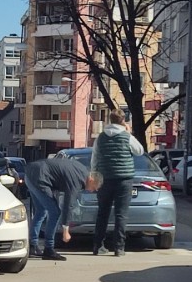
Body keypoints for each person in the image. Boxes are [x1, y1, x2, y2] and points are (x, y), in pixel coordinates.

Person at [90, 108, 145, 256]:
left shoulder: (100, 137)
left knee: (102, 213)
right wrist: (129, 132)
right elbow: (139, 151)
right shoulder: (126, 137)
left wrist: (94, 176)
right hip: (124, 179)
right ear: (123, 121)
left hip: (105, 179)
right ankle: (119, 248)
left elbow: (94, 159)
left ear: (110, 120)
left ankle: (98, 246)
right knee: (121, 214)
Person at [25, 157, 90, 261]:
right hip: (40, 177)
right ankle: (49, 249)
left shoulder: (81, 170)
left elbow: (57, 176)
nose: (93, 191)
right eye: (94, 187)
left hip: (30, 173)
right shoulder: (77, 180)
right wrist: (66, 229)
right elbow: (68, 205)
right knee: (55, 212)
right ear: (91, 179)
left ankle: (33, 246)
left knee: (41, 211)